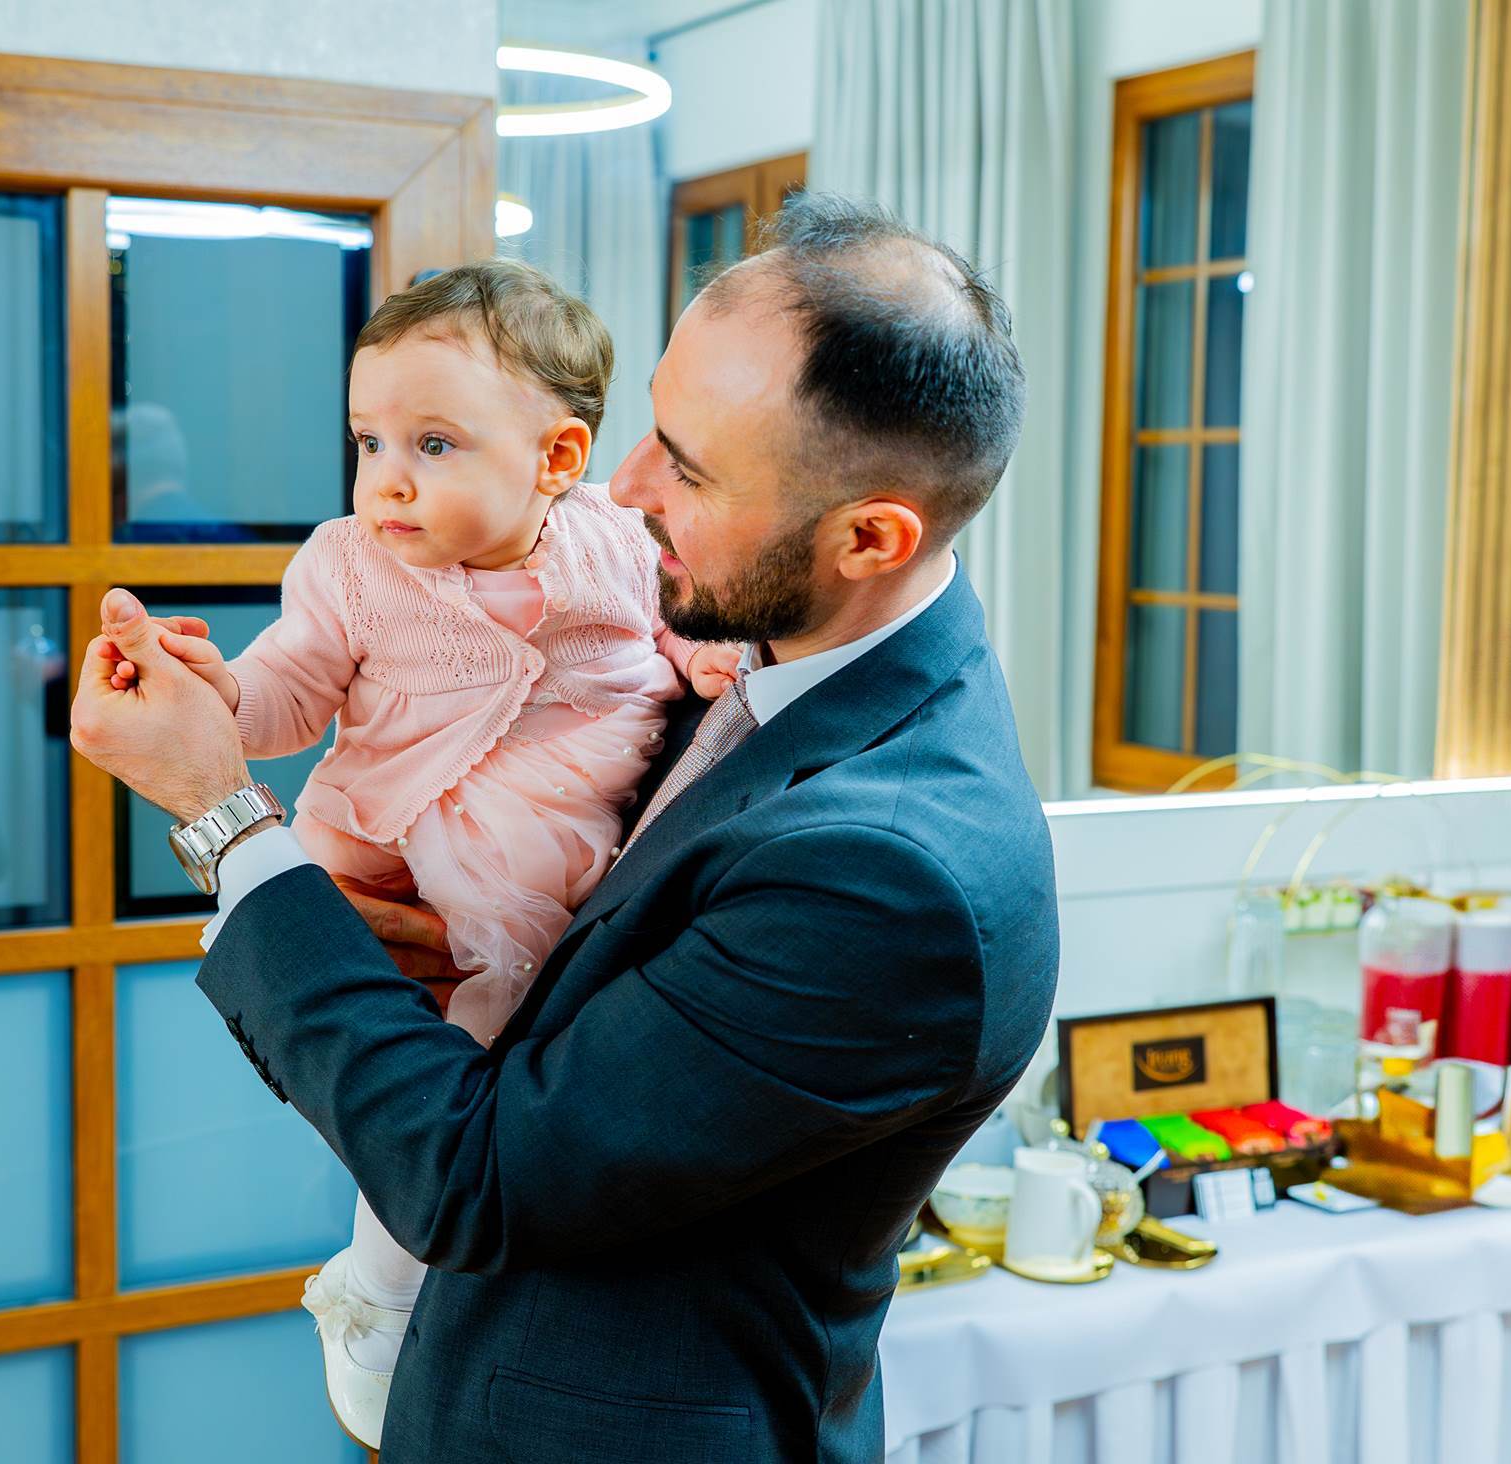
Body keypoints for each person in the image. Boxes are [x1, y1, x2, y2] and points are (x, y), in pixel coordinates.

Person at [69, 192, 1061, 1463]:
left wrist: (222, 814)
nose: (623, 484)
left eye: (687, 467)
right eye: (652, 425)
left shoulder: (894, 877)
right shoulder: (752, 637)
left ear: (868, 537)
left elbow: (479, 1175)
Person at [96, 258, 738, 1445]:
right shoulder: (350, 564)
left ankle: (406, 1273)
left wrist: (710, 664)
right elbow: (290, 693)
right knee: (377, 1015)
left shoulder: (616, 543)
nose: (387, 479)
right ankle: (382, 1292)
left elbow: (682, 638)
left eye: (432, 445)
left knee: (498, 1023)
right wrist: (215, 690)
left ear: (557, 458)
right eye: (368, 441)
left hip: (546, 824)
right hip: (385, 817)